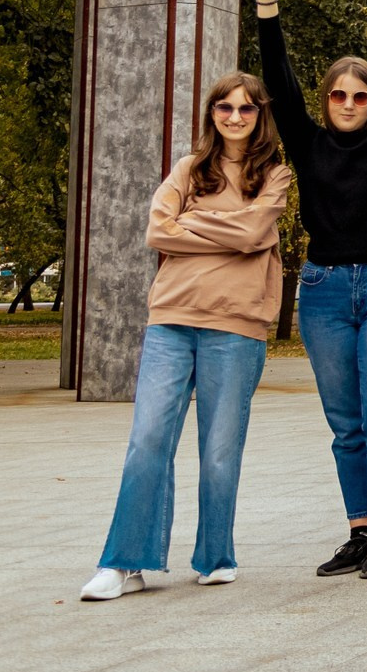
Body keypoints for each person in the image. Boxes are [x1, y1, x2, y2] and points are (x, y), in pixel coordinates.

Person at [81, 74, 294, 600]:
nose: (235, 117)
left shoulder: (276, 174)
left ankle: (216, 556)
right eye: (225, 107)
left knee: (219, 451)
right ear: (212, 113)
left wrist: (194, 222)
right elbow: (158, 231)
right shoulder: (188, 169)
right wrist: (234, 232)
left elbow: (254, 234)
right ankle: (123, 564)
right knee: (147, 442)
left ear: (260, 115)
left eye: (246, 109)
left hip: (237, 326)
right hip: (171, 321)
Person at [255, 0, 367, 581]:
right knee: (346, 424)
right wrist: (267, 3)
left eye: (360, 95)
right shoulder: (307, 141)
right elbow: (279, 77)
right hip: (323, 291)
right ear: (326, 101)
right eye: (338, 94)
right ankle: (358, 530)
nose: (348, 103)